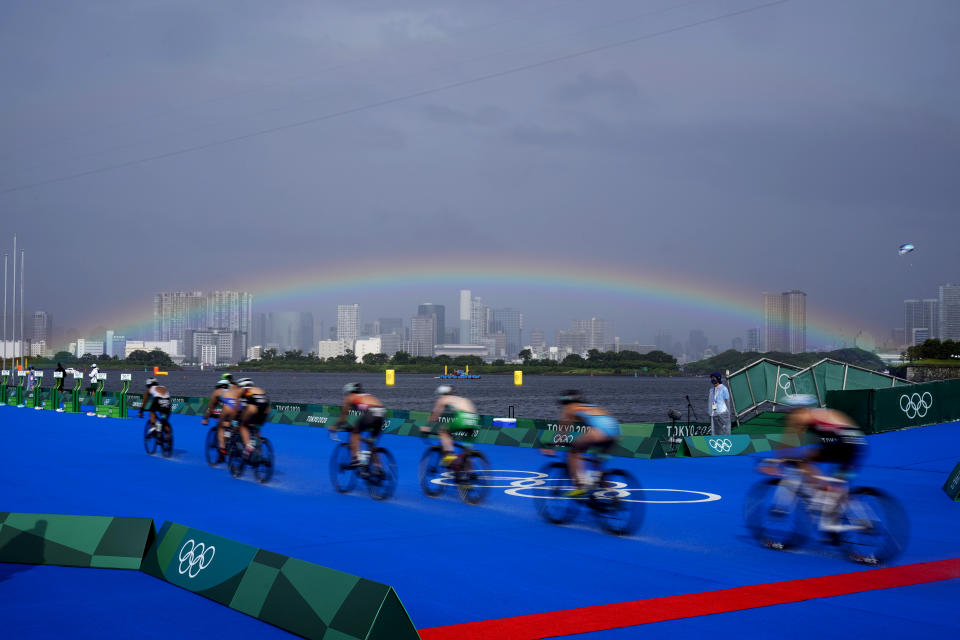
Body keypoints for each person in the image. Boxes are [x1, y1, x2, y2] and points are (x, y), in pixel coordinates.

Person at [781, 394, 867, 532]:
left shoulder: (801, 416)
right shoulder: (816, 414)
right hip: (856, 444)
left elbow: (788, 443)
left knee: (804, 460)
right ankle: (837, 511)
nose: (788, 412)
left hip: (843, 443)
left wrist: (778, 460)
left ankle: (824, 496)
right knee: (837, 483)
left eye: (790, 409)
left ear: (796, 408)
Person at [556, 390, 620, 497]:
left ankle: (580, 485)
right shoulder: (590, 406)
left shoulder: (570, 407)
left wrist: (556, 444)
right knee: (597, 462)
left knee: (573, 452)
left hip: (601, 430)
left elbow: (564, 426)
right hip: (615, 430)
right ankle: (610, 492)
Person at [421, 385, 479, 467]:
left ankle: (449, 456)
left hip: (462, 417)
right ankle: (470, 471)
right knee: (467, 449)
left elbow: (435, 415)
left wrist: (427, 426)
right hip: (474, 419)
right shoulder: (462, 399)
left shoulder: (443, 399)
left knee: (444, 432)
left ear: (442, 393)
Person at [333, 382, 386, 467]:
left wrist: (335, 426)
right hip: (382, 412)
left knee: (355, 433)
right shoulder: (368, 395)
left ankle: (355, 459)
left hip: (370, 413)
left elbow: (343, 416)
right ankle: (379, 468)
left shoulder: (351, 397)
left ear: (349, 391)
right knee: (371, 443)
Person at [201, 378, 242, 463]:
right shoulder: (233, 390)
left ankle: (222, 449)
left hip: (229, 409)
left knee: (220, 426)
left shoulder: (217, 392)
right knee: (234, 425)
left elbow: (210, 408)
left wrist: (206, 418)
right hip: (240, 408)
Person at [235, 378, 271, 459]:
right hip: (266, 408)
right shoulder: (258, 389)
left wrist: (235, 418)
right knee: (256, 427)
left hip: (254, 406)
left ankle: (248, 447)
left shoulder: (243, 390)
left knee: (242, 425)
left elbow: (238, 407)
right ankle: (258, 451)